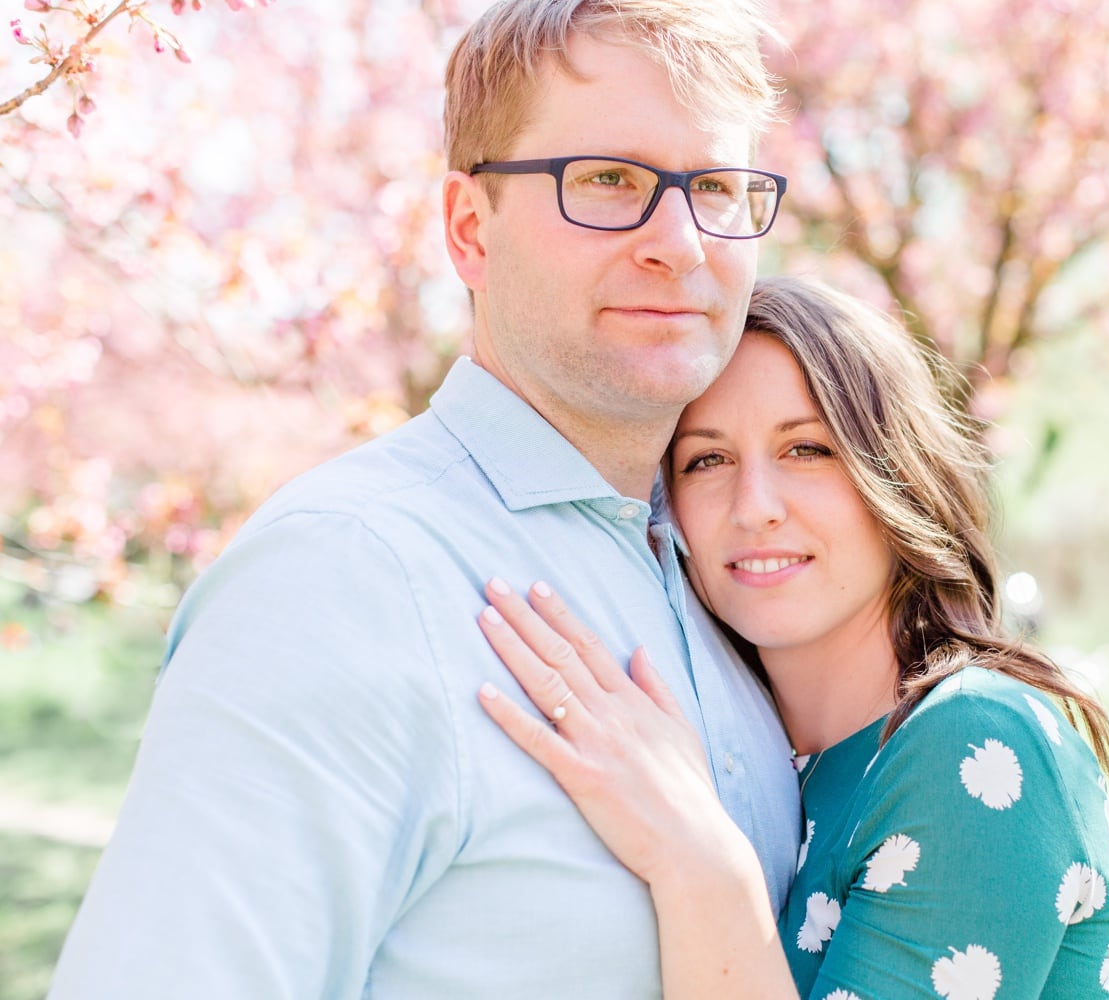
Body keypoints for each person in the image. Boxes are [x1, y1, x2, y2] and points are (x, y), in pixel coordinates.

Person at [47, 2, 800, 997]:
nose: (682, 242)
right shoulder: (340, 579)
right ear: (469, 230)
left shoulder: (734, 580)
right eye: (609, 180)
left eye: (717, 187)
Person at [474, 275, 1109, 998]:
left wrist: (698, 858)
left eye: (807, 449)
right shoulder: (764, 758)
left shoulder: (974, 738)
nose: (754, 508)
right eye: (707, 460)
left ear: (897, 472)